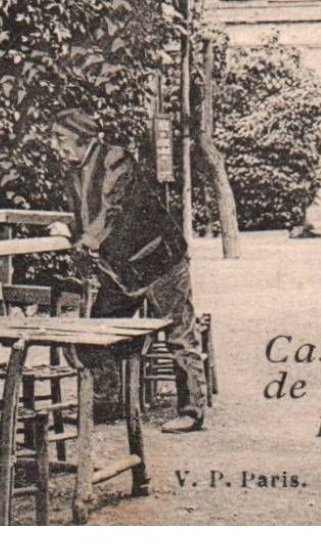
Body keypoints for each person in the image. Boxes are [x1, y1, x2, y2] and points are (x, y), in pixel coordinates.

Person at [48, 108, 208, 433]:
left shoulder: (114, 158)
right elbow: (83, 214)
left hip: (159, 259)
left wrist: (88, 240)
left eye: (60, 138)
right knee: (97, 332)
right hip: (123, 271)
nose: (54, 145)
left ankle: (192, 411)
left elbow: (113, 208)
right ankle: (106, 403)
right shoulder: (73, 172)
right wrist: (68, 229)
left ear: (83, 137)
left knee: (179, 333)